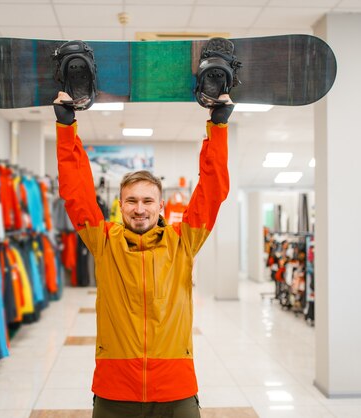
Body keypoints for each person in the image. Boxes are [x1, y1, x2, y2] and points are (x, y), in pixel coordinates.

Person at [53, 38, 237, 418]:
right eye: (132, 201)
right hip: (114, 390)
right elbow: (77, 192)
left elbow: (212, 189)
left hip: (176, 389)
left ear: (161, 206)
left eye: (148, 200)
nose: (139, 208)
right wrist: (67, 126)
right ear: (120, 206)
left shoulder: (182, 243)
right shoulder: (104, 242)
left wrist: (217, 128)